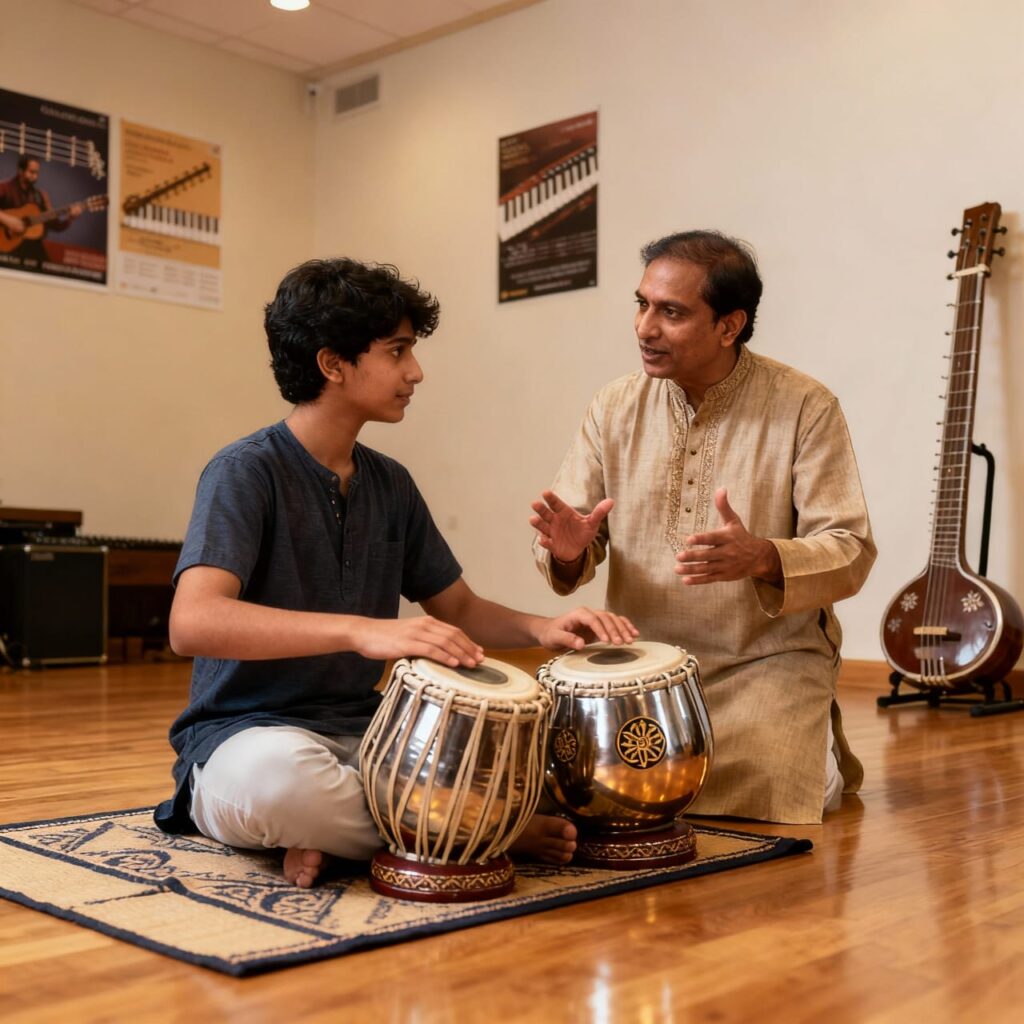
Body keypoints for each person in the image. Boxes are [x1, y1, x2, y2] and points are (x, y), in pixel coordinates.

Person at [154, 257, 637, 888]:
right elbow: (193, 624)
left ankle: (351, 840)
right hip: (246, 739)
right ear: (333, 364)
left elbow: (458, 608)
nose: (415, 371)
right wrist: (363, 631)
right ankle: (487, 833)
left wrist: (546, 627)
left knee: (539, 767)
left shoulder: (391, 483)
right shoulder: (244, 472)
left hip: (369, 735)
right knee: (284, 787)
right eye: (397, 351)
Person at [529, 230, 875, 825]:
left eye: (671, 312)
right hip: (641, 674)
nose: (644, 328)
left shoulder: (804, 405)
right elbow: (572, 535)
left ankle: (817, 750)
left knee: (775, 789)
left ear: (729, 324)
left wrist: (763, 556)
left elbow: (851, 549)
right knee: (572, 788)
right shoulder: (614, 407)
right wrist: (566, 554)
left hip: (762, 666)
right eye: (641, 304)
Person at [0, 155, 82, 264]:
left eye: (37, 173)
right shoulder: (5, 188)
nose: (35, 176)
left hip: (30, 248)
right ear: (20, 171)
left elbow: (54, 224)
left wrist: (70, 218)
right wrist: (8, 220)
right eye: (31, 172)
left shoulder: (40, 196)